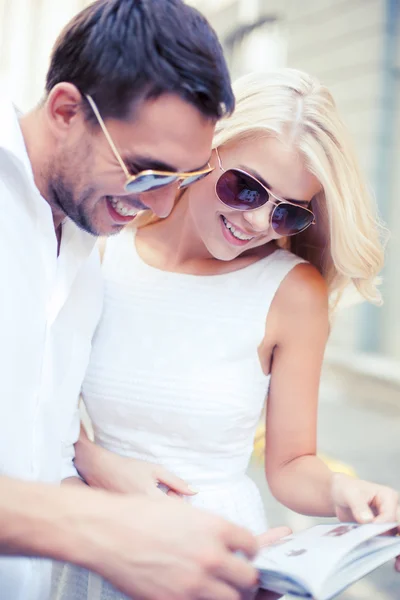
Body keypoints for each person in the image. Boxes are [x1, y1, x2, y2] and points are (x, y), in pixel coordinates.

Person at [57, 68, 400, 599]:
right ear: (203, 150)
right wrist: (93, 460)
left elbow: (288, 466)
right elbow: (35, 400)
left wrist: (343, 489)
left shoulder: (294, 294)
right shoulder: (101, 249)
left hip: (223, 552)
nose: (259, 222)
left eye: (287, 212)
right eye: (245, 187)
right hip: (103, 538)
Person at [0, 1, 290, 599]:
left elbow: (32, 454)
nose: (157, 206)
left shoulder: (85, 242)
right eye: (146, 172)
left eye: (178, 182)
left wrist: (196, 548)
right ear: (65, 110)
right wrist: (100, 530)